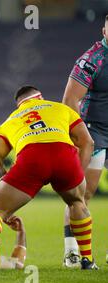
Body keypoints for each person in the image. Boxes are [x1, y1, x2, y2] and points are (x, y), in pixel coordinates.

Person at [0, 85, 98, 271]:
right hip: (63, 155)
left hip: (31, 158)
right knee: (77, 203)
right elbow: (87, 142)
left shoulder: (10, 120)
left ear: (19, 104)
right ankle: (87, 259)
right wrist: (78, 173)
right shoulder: (60, 108)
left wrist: (4, 179)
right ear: (40, 97)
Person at [61, 15, 108, 267]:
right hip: (95, 132)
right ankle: (72, 252)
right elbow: (69, 101)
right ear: (104, 30)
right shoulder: (92, 60)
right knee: (82, 194)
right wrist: (82, 137)